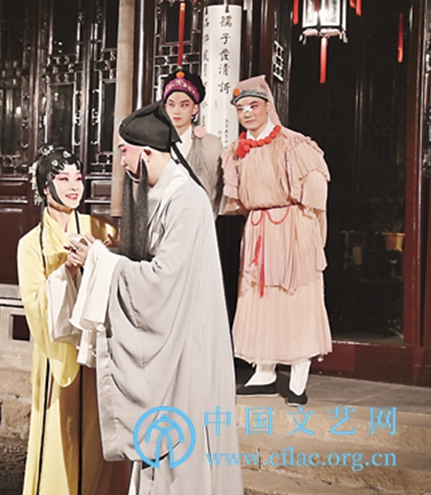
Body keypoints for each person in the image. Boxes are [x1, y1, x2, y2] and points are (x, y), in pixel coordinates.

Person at [68, 102, 243, 494]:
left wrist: (100, 262)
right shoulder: (166, 193)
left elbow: (163, 280)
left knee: (183, 445)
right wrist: (99, 257)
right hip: (176, 330)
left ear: (146, 153)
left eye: (124, 152)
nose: (122, 161)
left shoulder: (185, 200)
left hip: (188, 342)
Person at [16, 145, 129, 495]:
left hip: (98, 350)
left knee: (99, 435)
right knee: (59, 433)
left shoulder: (102, 229)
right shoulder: (30, 245)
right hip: (57, 356)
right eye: (62, 178)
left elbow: (123, 278)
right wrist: (67, 271)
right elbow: (35, 305)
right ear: (44, 186)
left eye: (77, 178)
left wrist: (97, 260)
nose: (73, 186)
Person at [221, 75, 332, 406]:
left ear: (268, 106)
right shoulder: (236, 151)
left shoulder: (294, 144)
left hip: (294, 226)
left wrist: (309, 237)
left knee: (296, 298)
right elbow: (237, 201)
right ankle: (264, 372)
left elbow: (316, 196)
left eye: (253, 106)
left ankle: (298, 376)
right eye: (241, 108)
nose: (247, 113)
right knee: (259, 297)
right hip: (259, 228)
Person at [163, 69, 223, 216]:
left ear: (195, 108)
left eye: (184, 105)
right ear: (164, 107)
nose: (176, 111)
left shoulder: (211, 145)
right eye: (171, 104)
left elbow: (215, 191)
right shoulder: (154, 144)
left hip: (199, 218)